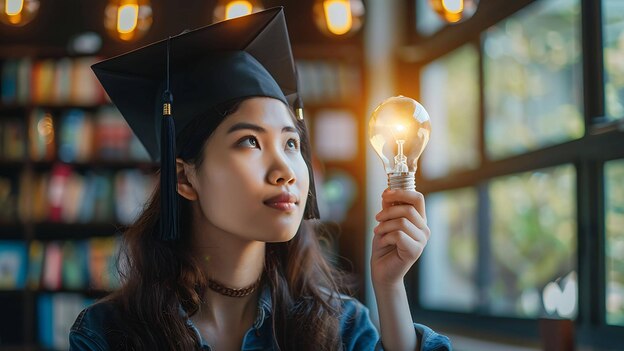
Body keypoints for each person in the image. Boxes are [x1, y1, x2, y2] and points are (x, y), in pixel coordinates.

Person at [69, 7, 451, 351]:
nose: (285, 169)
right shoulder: (109, 335)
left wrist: (389, 287)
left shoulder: (339, 326)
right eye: (250, 141)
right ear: (184, 178)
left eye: (291, 143)